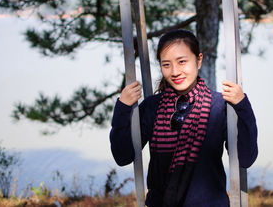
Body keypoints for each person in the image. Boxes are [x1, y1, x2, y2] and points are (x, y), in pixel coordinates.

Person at [110, 29, 258, 207]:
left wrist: (242, 106)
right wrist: (123, 108)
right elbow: (123, 156)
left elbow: (246, 158)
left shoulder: (219, 106)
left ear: (199, 60)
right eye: (166, 65)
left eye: (182, 62)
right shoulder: (152, 107)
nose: (175, 71)